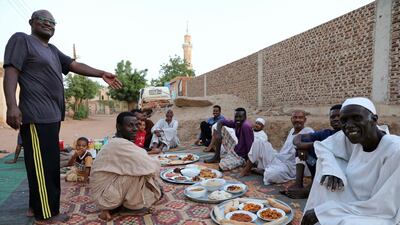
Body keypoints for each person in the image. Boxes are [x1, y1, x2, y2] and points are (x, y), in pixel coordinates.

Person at [3, 10, 122, 222]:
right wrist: (12, 105)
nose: (49, 24)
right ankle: (45, 215)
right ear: (32, 22)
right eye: (43, 21)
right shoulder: (22, 40)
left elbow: (74, 65)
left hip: (51, 116)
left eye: (52, 22)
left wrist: (101, 73)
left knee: (39, 163)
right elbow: (11, 71)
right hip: (36, 115)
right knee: (45, 166)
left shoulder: (52, 50)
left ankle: (34, 206)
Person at [302, 97, 400, 225]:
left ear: (374, 120)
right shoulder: (354, 138)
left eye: (357, 118)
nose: (349, 125)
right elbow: (323, 146)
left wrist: (324, 212)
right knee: (326, 177)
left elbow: (383, 207)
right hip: (353, 202)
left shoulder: (394, 149)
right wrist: (333, 169)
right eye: (344, 120)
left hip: (380, 213)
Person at [90, 112, 162, 221]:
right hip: (105, 198)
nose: (135, 129)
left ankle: (116, 207)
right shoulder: (118, 144)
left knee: (137, 167)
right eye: (130, 125)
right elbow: (150, 165)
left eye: (136, 125)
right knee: (141, 171)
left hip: (105, 194)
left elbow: (142, 158)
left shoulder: (117, 142)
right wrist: (156, 162)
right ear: (118, 127)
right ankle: (131, 207)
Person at [282, 104, 342, 199]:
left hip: (335, 172)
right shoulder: (326, 133)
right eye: (332, 117)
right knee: (300, 151)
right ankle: (299, 184)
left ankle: (310, 190)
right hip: (316, 167)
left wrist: (315, 145)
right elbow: (298, 138)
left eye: (339, 116)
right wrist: (306, 146)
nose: (335, 119)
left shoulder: (350, 137)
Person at [240, 110, 313, 185]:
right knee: (258, 143)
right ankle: (247, 169)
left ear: (305, 120)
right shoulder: (292, 130)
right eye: (295, 117)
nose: (297, 120)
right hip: (278, 158)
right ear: (291, 119)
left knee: (271, 175)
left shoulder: (308, 132)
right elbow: (284, 151)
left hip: (290, 167)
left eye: (300, 118)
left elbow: (312, 152)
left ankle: (264, 171)